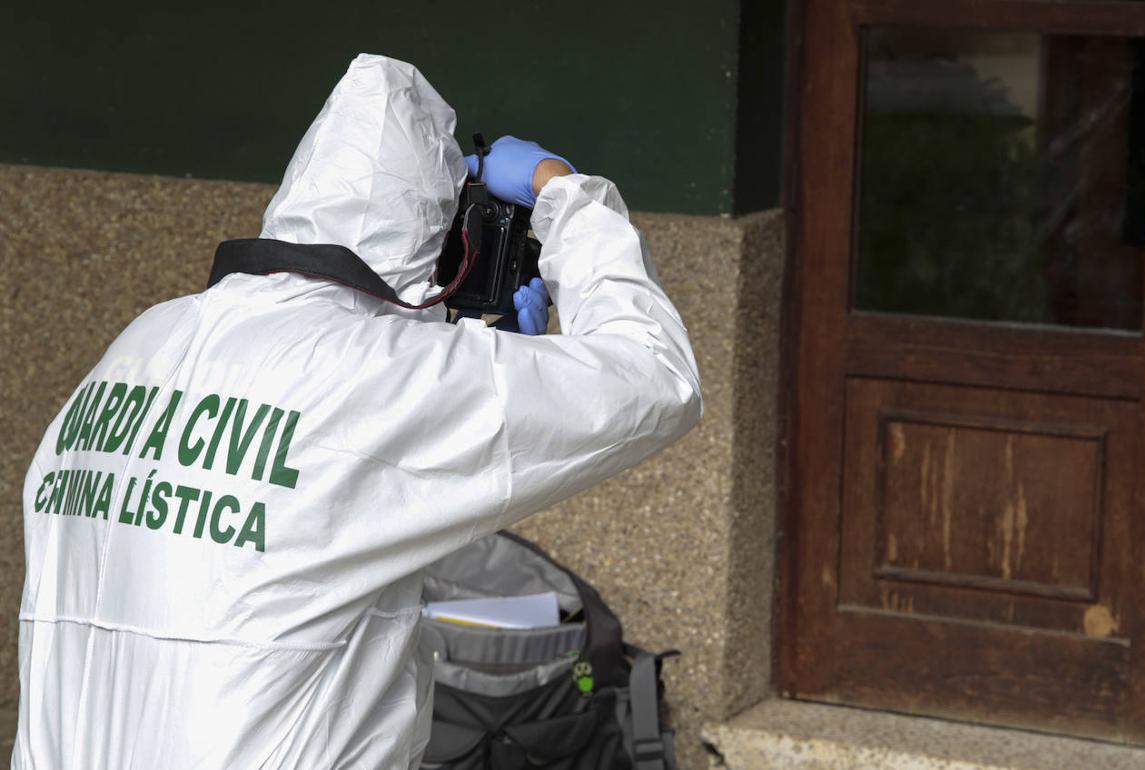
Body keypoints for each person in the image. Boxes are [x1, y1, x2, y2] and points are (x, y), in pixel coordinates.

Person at [15, 53, 701, 769]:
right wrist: (562, 192)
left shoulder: (143, 342)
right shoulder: (381, 375)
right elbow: (656, 373)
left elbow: (298, 532)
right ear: (428, 252)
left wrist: (459, 367)